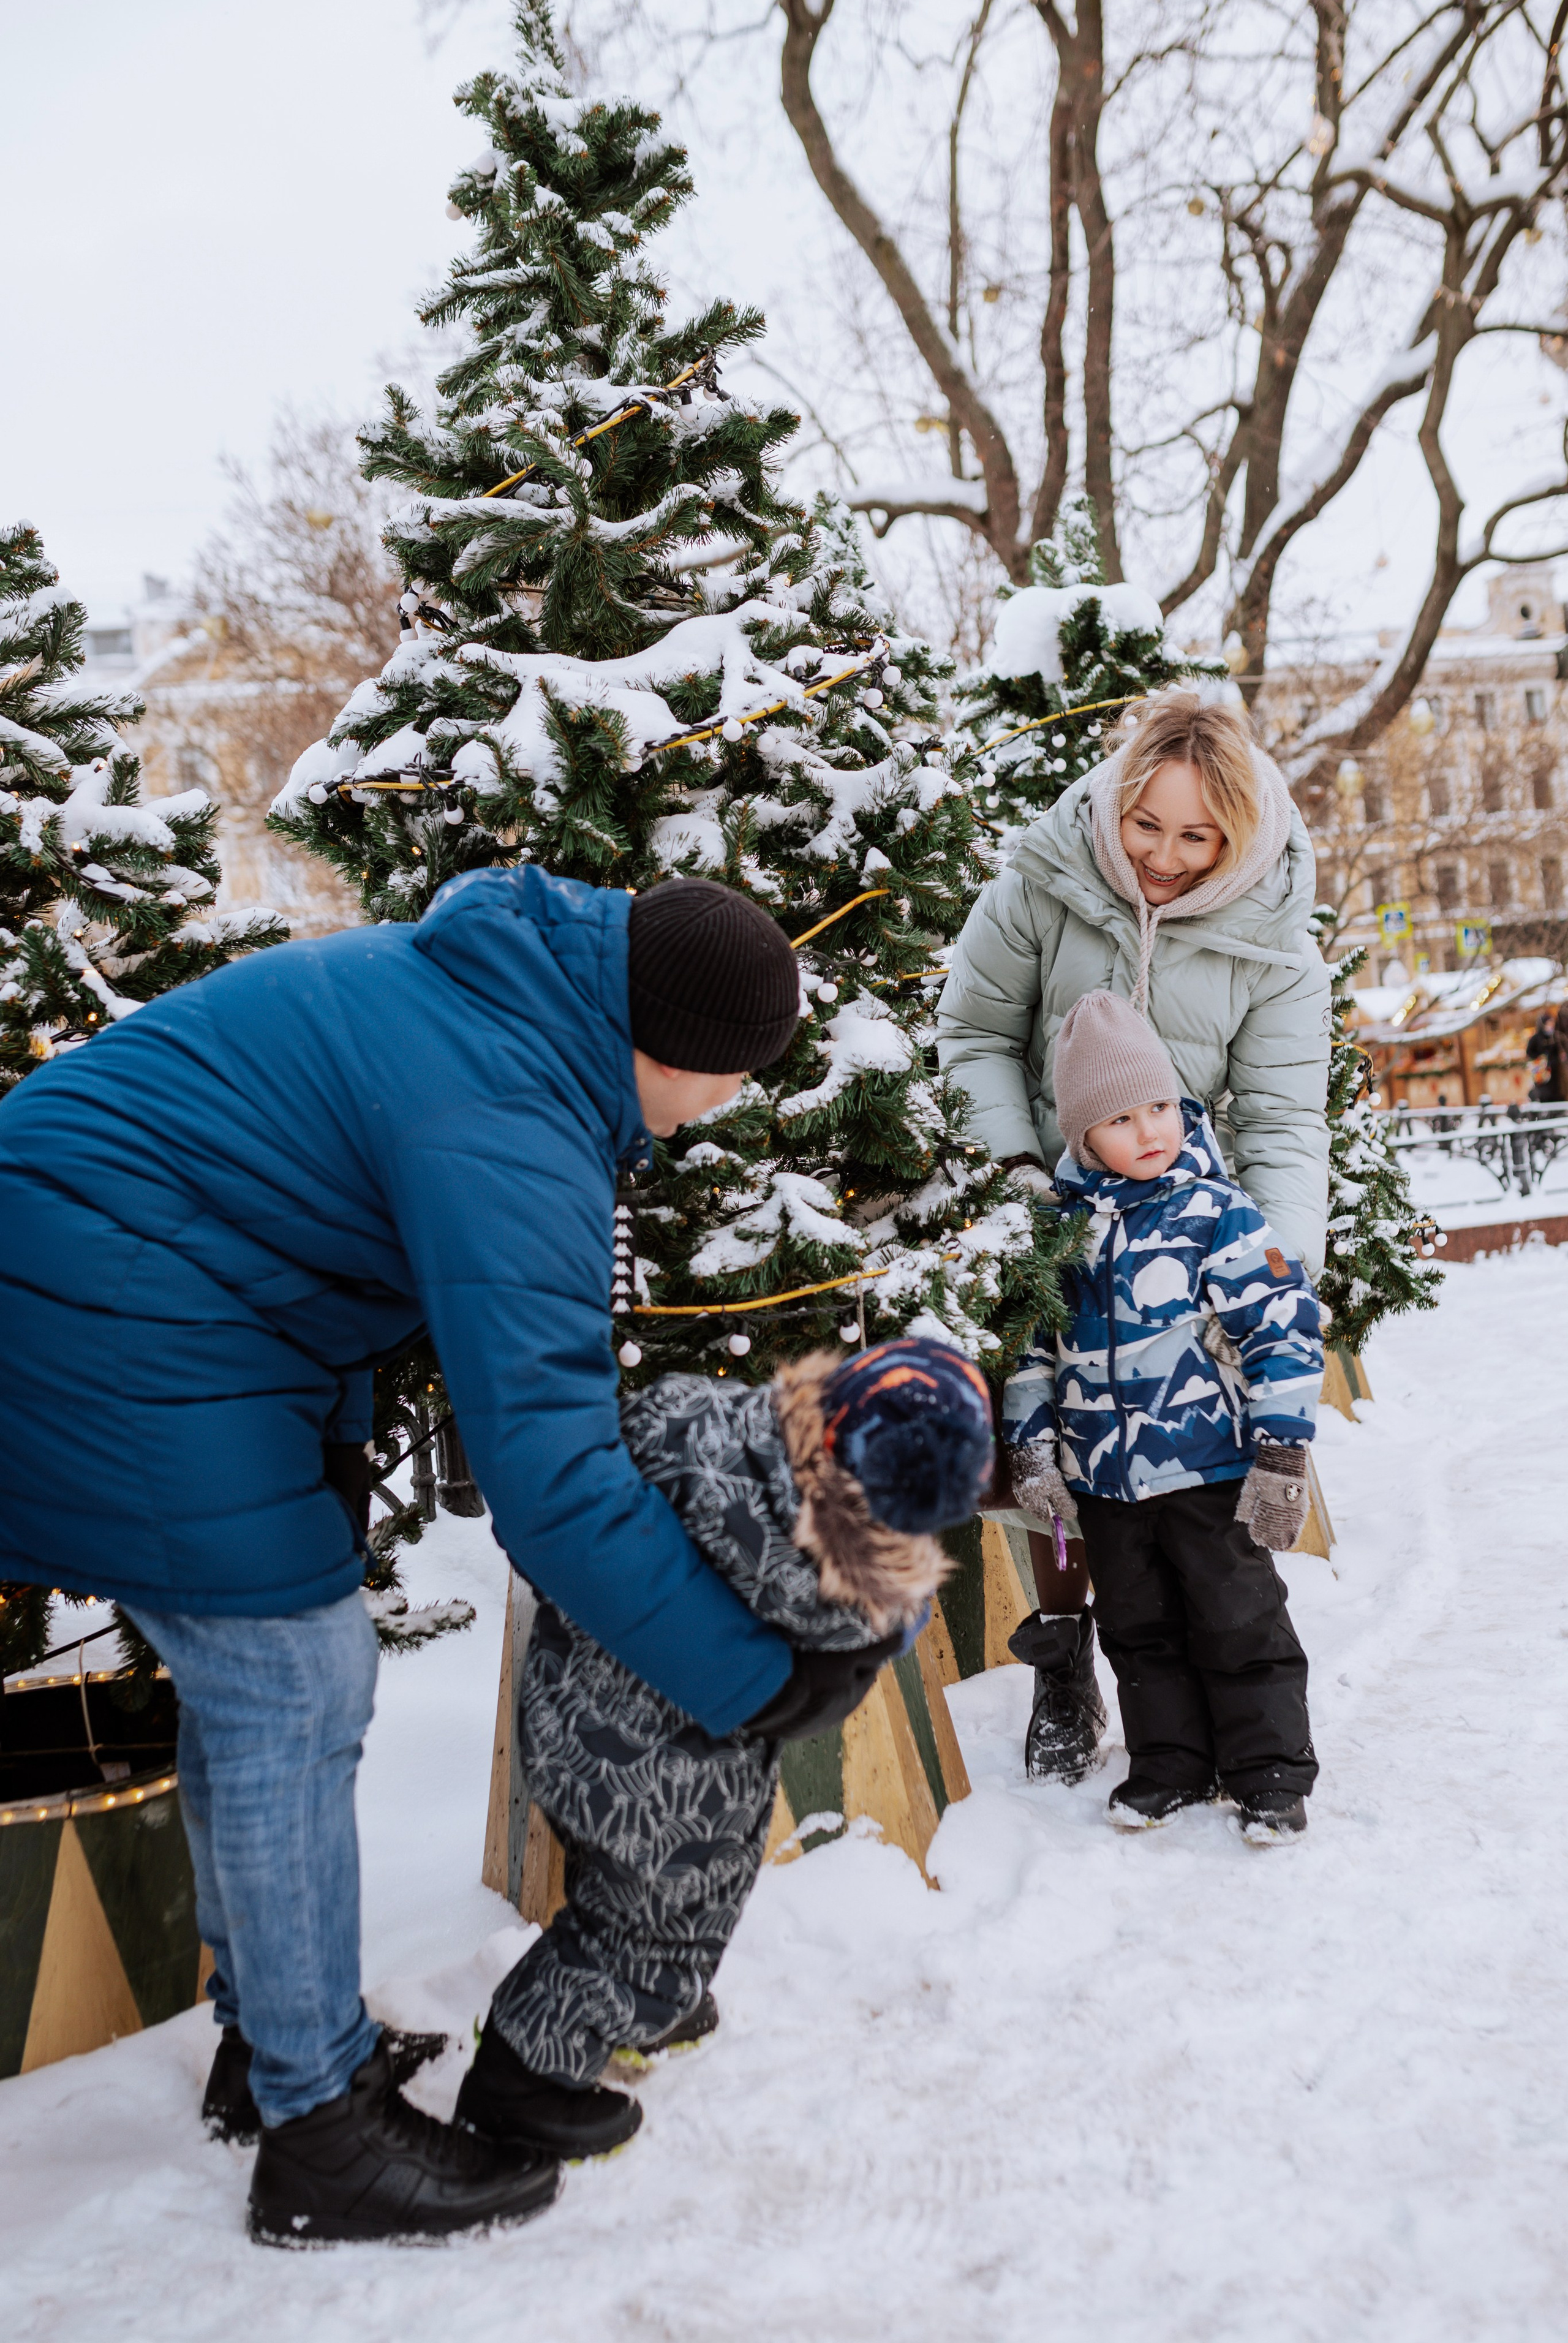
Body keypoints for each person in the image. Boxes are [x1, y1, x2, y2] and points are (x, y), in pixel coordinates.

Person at [0, 867, 888, 2249]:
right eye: (731, 1077)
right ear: (679, 1050)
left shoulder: (514, 1002)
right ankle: (318, 2135)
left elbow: (290, 1199)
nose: (725, 1106)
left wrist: (332, 1445)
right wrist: (754, 1681)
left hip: (139, 1270)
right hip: (103, 1294)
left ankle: (272, 2045)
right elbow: (552, 1480)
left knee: (267, 1681)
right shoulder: (511, 1112)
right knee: (292, 1683)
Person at [453, 1335, 990, 2160]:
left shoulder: (697, 1414)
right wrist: (901, 1605)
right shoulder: (830, 1586)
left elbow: (612, 1455)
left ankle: (648, 2011)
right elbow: (841, 1674)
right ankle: (522, 2081)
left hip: (568, 1708)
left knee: (614, 1892)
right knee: (645, 1933)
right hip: (673, 1786)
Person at [940, 690, 1329, 1786]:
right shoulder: (1043, 881)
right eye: (1145, 825)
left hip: (1188, 1227)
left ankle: (1241, 1718)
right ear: (1115, 802)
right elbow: (974, 1031)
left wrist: (1269, 1268)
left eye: (1197, 837)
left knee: (1193, 1477)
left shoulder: (1277, 948)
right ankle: (1066, 1652)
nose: (1162, 857)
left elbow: (1284, 1121)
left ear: (1239, 833)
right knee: (1056, 1439)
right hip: (1052, 1207)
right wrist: (1020, 1178)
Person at [997, 990, 1323, 1841]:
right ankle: (1170, 1765)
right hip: (1105, 1483)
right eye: (1120, 1119)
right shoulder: (1058, 1236)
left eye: (1160, 1107)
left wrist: (1281, 1454)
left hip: (1209, 1469)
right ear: (1083, 1137)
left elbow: (1283, 1327)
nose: (1150, 1130)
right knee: (1139, 1631)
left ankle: (1268, 1773)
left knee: (1239, 1618)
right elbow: (1031, 1352)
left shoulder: (1219, 1213)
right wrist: (1032, 1452)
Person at [1526, 1003, 1568, 1102]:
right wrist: (1541, 1057)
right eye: (1549, 1024)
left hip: (1556, 1070)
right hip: (1542, 1071)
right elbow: (1529, 1052)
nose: (1551, 1026)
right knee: (1545, 1093)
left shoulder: (1557, 1036)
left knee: (1558, 1091)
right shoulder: (1536, 1038)